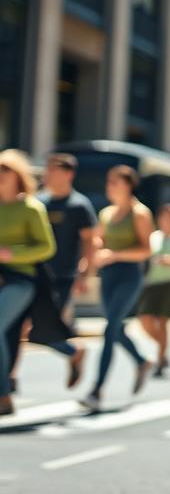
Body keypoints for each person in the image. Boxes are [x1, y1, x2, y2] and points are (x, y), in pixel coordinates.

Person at [0, 149, 82, 416]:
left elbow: (47, 248)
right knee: (14, 335)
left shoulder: (32, 207)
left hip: (23, 280)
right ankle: (8, 388)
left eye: (4, 170)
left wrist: (12, 254)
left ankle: (3, 392)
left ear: (17, 176)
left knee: (33, 330)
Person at [80, 166, 156, 411]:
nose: (110, 187)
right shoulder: (106, 213)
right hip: (108, 276)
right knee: (115, 327)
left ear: (128, 185)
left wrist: (115, 254)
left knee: (110, 328)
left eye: (115, 183)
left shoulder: (140, 213)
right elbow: (98, 240)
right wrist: (88, 267)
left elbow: (147, 250)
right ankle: (141, 361)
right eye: (108, 182)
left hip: (129, 275)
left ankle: (96, 389)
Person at [37, 153, 97, 320]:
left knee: (51, 322)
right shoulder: (38, 202)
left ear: (68, 174)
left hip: (64, 276)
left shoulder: (79, 205)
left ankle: (71, 345)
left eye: (52, 171)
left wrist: (85, 275)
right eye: (47, 170)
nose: (47, 175)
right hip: (37, 273)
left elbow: (90, 241)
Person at [138, 204, 170, 377]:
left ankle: (160, 360)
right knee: (145, 320)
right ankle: (163, 348)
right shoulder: (154, 238)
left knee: (163, 321)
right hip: (152, 283)